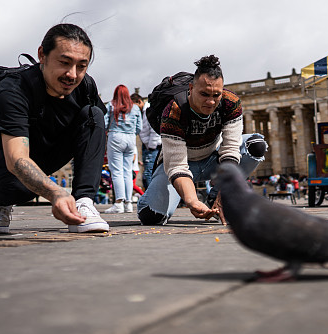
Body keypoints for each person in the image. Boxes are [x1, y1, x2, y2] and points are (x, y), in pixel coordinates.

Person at [0, 23, 109, 234]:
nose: (72, 74)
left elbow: (92, 133)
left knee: (93, 114)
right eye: (64, 62)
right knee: (20, 183)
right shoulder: (13, 90)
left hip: (43, 150)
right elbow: (16, 159)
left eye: (81, 66)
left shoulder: (85, 87)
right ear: (42, 55)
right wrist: (55, 193)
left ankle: (84, 203)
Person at [136, 55, 267, 225]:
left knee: (255, 145)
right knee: (151, 216)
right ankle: (153, 197)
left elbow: (230, 150)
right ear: (191, 88)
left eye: (216, 95)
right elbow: (177, 166)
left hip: (214, 159)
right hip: (179, 166)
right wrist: (192, 200)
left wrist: (225, 191)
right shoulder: (175, 109)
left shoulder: (230, 102)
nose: (210, 101)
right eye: (204, 94)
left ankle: (215, 199)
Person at [103, 84, 142, 213]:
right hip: (130, 138)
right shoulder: (135, 108)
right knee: (128, 171)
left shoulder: (111, 105)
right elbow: (139, 128)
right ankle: (128, 203)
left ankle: (119, 203)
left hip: (115, 136)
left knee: (117, 171)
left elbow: (105, 123)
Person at [132, 93, 161, 191]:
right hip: (148, 145)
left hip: (152, 147)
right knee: (149, 172)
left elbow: (154, 129)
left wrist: (151, 146)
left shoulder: (148, 110)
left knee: (149, 173)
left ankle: (152, 197)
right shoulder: (143, 112)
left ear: (139, 101)